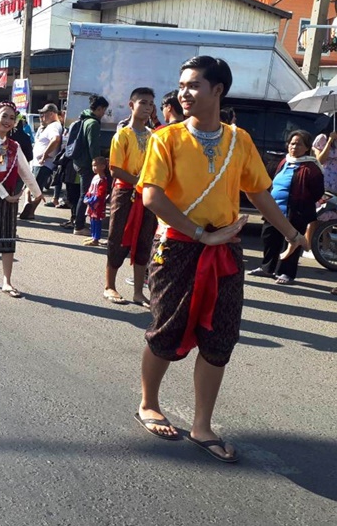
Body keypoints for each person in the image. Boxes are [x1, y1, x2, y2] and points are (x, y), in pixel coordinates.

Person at [135, 56, 308, 462]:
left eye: (193, 85)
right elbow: (152, 197)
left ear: (218, 90)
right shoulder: (166, 139)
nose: (184, 93)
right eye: (182, 85)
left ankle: (202, 426)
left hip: (226, 252)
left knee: (220, 337)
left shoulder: (239, 140)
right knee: (167, 330)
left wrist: (292, 234)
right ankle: (148, 403)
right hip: (178, 247)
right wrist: (201, 234)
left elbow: (259, 193)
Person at [0, 101, 42, 297]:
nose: (8, 121)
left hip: (10, 194)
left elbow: (25, 170)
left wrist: (37, 193)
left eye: (12, 118)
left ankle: (7, 281)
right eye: (4, 116)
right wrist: (5, 196)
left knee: (8, 237)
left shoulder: (15, 146)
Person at [247, 131, 323, 284]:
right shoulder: (284, 161)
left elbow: (317, 192)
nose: (294, 147)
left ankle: (286, 273)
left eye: (299, 144)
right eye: (292, 143)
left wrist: (301, 203)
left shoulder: (311, 168)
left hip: (296, 212)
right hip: (274, 210)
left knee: (292, 242)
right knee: (269, 238)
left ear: (307, 147)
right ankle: (267, 268)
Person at [104, 88, 157, 308]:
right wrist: (138, 181)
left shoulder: (154, 136)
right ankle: (109, 285)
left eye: (151, 104)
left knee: (145, 239)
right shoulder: (122, 135)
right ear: (131, 105)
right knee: (117, 237)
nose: (147, 107)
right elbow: (115, 169)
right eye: (143, 102)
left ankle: (138, 292)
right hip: (125, 192)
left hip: (147, 194)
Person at [68, 94, 109, 235]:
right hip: (87, 164)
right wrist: (97, 164)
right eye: (104, 110)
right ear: (99, 108)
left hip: (79, 162)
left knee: (83, 193)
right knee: (85, 194)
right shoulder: (93, 123)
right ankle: (79, 226)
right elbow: (93, 146)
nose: (104, 114)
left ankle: (78, 222)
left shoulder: (85, 119)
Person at [22, 103, 63, 220]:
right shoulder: (48, 127)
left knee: (36, 189)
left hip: (43, 164)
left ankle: (30, 211)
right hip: (38, 163)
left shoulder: (54, 126)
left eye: (44, 114)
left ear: (51, 114)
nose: (41, 117)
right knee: (30, 187)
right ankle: (28, 205)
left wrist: (45, 154)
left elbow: (56, 139)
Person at [83, 157, 109, 247]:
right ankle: (93, 235)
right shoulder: (95, 177)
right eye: (92, 166)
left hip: (97, 204)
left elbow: (100, 194)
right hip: (91, 203)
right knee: (92, 219)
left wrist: (91, 200)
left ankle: (96, 239)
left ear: (103, 166)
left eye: (95, 166)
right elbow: (90, 189)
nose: (93, 168)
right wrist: (86, 197)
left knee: (97, 220)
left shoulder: (102, 179)